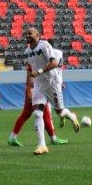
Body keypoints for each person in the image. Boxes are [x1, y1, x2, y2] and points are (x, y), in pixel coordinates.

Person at [19, 26, 65, 155]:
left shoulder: (44, 45)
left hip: (52, 83)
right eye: (26, 33)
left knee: (60, 112)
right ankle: (42, 145)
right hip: (39, 86)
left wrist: (38, 72)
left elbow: (54, 63)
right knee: (38, 113)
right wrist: (29, 86)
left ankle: (70, 116)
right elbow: (30, 71)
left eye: (30, 33)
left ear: (38, 35)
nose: (27, 35)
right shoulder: (27, 51)